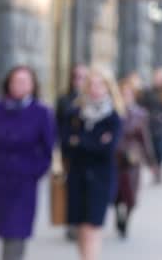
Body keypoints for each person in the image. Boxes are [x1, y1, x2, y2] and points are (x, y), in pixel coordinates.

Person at [0, 66, 55, 260]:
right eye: (15, 81)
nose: (19, 85)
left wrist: (34, 172)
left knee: (15, 236)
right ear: (8, 84)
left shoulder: (41, 112)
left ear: (33, 85)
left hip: (23, 184)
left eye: (25, 81)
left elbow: (48, 150)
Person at [66, 67, 124, 260]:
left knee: (93, 227)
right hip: (76, 177)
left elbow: (107, 149)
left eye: (100, 85)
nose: (95, 89)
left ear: (108, 88)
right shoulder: (75, 113)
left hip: (101, 179)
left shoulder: (113, 116)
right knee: (81, 228)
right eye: (91, 84)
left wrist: (81, 142)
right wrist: (93, 142)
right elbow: (67, 143)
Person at [114, 79, 155, 238]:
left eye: (128, 94)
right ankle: (118, 215)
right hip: (116, 157)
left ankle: (126, 220)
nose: (125, 96)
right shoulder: (114, 112)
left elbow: (145, 139)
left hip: (132, 158)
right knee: (118, 193)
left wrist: (151, 162)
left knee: (131, 194)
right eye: (123, 93)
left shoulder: (140, 113)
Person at [56, 64, 88, 241]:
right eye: (76, 77)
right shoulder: (64, 99)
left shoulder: (93, 100)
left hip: (88, 154)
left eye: (83, 77)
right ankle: (71, 223)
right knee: (70, 187)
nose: (79, 81)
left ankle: (82, 221)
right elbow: (59, 124)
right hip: (68, 151)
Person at [138, 68, 162, 184]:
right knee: (151, 150)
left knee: (161, 150)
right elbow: (141, 106)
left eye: (160, 78)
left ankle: (159, 169)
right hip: (149, 125)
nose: (158, 80)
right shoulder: (148, 91)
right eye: (156, 77)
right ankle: (155, 170)